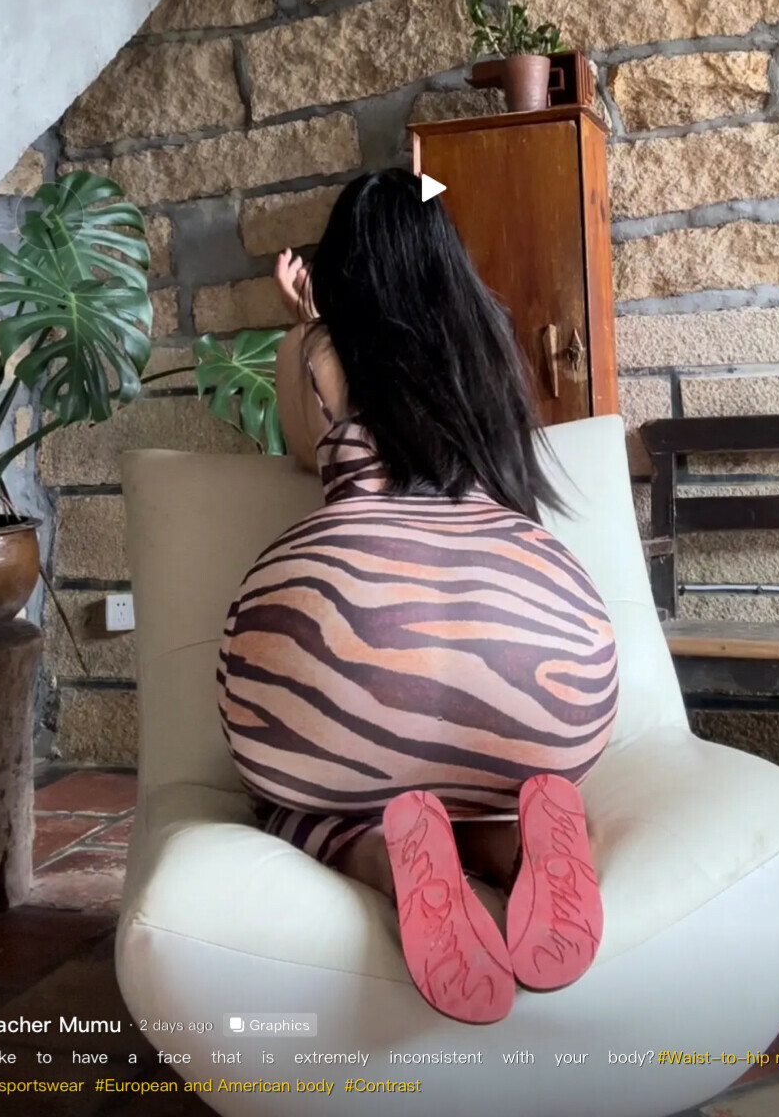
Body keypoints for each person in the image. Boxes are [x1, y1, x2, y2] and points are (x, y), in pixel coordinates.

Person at [217, 169, 619, 1025]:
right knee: (487, 779)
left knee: (289, 798)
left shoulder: (316, 348)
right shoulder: (488, 344)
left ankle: (378, 857)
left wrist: (307, 325)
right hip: (541, 665)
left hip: (356, 640)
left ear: (343, 268)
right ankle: (513, 843)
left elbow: (304, 450)